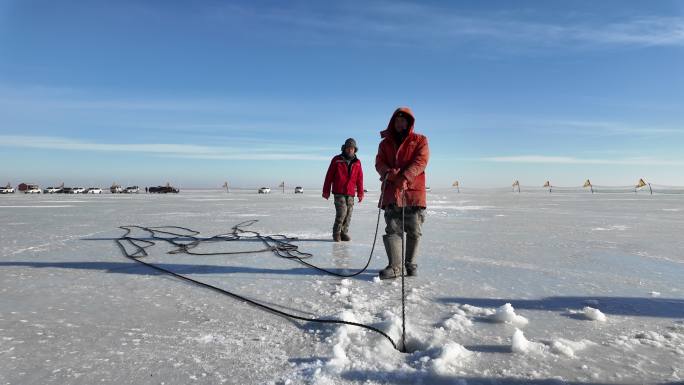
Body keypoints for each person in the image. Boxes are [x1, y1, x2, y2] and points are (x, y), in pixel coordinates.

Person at [375, 107, 429, 279]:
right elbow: (379, 162)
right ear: (393, 122)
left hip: (412, 192)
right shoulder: (385, 143)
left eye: (403, 120)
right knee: (392, 229)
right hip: (391, 191)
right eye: (397, 120)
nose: (400, 123)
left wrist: (406, 176)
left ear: (409, 122)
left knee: (414, 230)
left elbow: (421, 160)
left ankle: (410, 264)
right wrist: (388, 173)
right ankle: (395, 267)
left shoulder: (420, 140)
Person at [322, 138, 364, 242]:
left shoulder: (357, 162)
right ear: (344, 148)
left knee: (349, 213)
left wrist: (360, 192)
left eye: (352, 148)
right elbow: (329, 176)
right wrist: (326, 190)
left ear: (355, 150)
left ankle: (344, 233)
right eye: (348, 148)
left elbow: (360, 178)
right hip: (339, 191)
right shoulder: (337, 159)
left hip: (350, 192)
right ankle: (336, 233)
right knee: (342, 212)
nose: (350, 150)